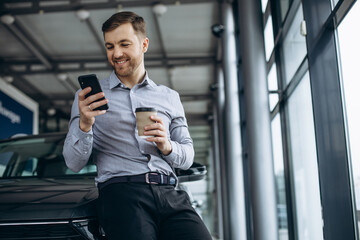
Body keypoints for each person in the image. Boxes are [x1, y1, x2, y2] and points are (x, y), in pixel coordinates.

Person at [63, 11, 212, 240]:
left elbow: (188, 155)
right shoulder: (88, 98)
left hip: (170, 193)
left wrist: (166, 145)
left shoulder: (169, 96)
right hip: (122, 194)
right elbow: (73, 163)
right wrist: (85, 124)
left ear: (144, 44)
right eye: (110, 46)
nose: (116, 53)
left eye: (124, 44)